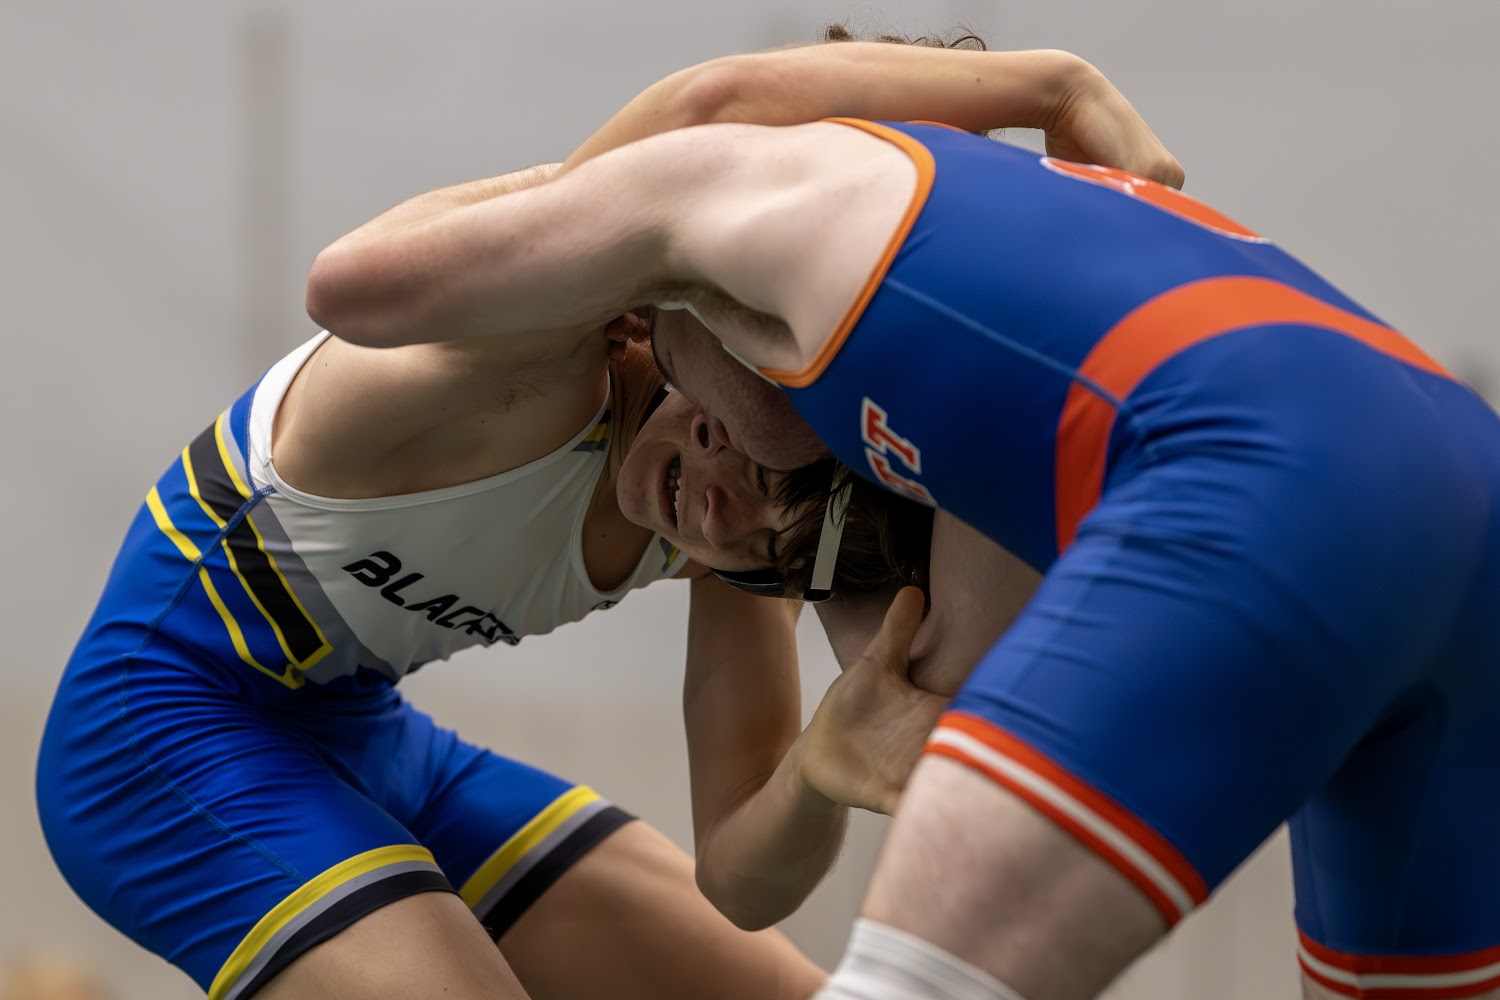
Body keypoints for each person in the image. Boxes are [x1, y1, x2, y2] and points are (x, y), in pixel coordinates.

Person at [313, 75, 1500, 1000]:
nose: (731, 484)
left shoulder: (759, 244)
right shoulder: (680, 318)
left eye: (785, 489)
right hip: (1455, 462)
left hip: (1267, 473)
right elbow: (701, 119)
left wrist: (617, 232)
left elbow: (695, 118)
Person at [39, 36, 1173, 1000]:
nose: (722, 503)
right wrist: (1054, 88)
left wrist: (819, 769)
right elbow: (704, 119)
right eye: (735, 437)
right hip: (151, 729)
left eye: (777, 526)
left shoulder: (748, 528)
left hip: (356, 736)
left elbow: (740, 878)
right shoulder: (538, 355)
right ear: (719, 337)